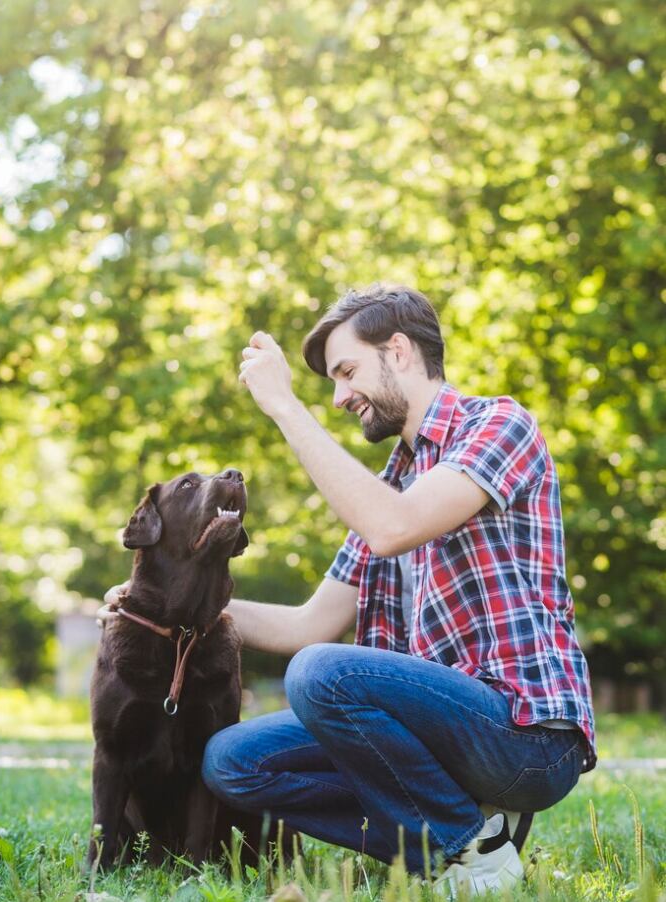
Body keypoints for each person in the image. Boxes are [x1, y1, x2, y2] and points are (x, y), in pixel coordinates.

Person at [102, 284, 596, 897]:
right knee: (231, 760)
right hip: (436, 740)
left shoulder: (498, 426)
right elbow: (306, 626)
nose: (338, 397)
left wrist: (285, 407)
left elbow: (394, 529)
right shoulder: (393, 482)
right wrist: (147, 611)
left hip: (525, 737)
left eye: (347, 372)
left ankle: (469, 848)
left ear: (399, 351)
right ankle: (460, 836)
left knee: (320, 675)